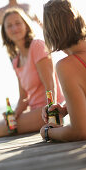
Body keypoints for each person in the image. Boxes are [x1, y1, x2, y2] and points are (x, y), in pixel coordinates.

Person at [0, 7, 64, 170]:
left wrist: (53, 119)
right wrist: (13, 114)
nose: (14, 28)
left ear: (26, 24)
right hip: (33, 112)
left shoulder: (37, 45)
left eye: (18, 23)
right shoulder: (15, 60)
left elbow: (50, 87)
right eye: (9, 25)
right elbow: (23, 97)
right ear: (5, 32)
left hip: (45, 113)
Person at [40, 0, 86, 142]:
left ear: (50, 31)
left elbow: (80, 131)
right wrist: (66, 108)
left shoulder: (67, 66)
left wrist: (48, 131)